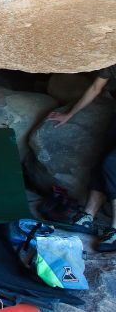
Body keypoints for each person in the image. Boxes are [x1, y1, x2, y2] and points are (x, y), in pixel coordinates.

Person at [48, 63, 116, 251]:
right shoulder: (113, 60)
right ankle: (88, 216)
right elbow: (96, 88)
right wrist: (69, 114)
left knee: (112, 164)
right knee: (101, 163)